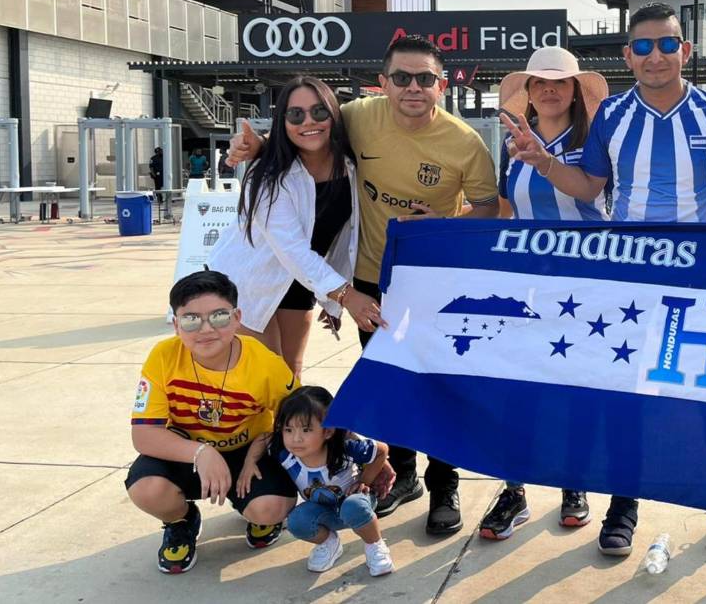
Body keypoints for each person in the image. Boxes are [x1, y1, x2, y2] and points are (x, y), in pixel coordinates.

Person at [502, 2, 706, 559]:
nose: (655, 56)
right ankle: (624, 505)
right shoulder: (612, 117)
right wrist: (542, 161)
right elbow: (588, 187)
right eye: (643, 46)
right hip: (629, 275)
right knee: (628, 393)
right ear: (628, 55)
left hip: (702, 274)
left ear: (685, 51)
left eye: (667, 45)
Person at [227, 35, 500, 536]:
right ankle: (404, 476)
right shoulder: (356, 116)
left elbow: (487, 209)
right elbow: (305, 132)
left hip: (432, 282)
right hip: (370, 280)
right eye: (401, 77)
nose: (412, 88)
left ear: (443, 84)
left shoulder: (465, 143)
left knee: (438, 382)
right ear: (383, 83)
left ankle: (445, 482)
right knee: (391, 382)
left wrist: (445, 218)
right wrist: (261, 147)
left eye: (424, 78)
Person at [477, 47, 609, 541]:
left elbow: (592, 193)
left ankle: (574, 483)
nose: (550, 90)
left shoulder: (596, 141)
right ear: (528, 92)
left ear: (575, 90)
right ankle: (515, 489)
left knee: (575, 385)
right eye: (539, 82)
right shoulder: (512, 146)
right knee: (520, 389)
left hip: (585, 284)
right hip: (529, 286)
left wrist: (548, 160)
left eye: (560, 82)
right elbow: (506, 212)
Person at [124, 270, 300, 574]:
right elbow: (144, 435)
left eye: (218, 317)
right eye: (191, 319)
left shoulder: (265, 363)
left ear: (236, 318)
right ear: (176, 324)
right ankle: (181, 520)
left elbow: (299, 420)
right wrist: (200, 452)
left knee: (269, 509)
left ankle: (256, 510)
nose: (205, 329)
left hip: (249, 454)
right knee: (146, 489)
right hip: (188, 452)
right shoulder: (163, 356)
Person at [208, 75, 382, 378]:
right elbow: (292, 249)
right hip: (251, 283)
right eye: (295, 114)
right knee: (263, 378)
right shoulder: (269, 177)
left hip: (300, 286)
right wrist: (345, 295)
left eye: (319, 112)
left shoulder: (350, 166)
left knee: (289, 379)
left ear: (333, 116)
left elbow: (343, 239)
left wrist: (331, 300)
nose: (308, 122)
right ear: (282, 122)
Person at [274, 385, 397, 576]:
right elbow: (261, 441)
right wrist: (249, 462)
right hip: (322, 511)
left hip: (355, 504)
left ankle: (375, 545)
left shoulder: (346, 449)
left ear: (328, 432)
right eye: (288, 429)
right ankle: (329, 543)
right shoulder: (286, 456)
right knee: (296, 520)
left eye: (306, 430)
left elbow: (381, 450)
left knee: (353, 506)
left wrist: (366, 481)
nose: (295, 438)